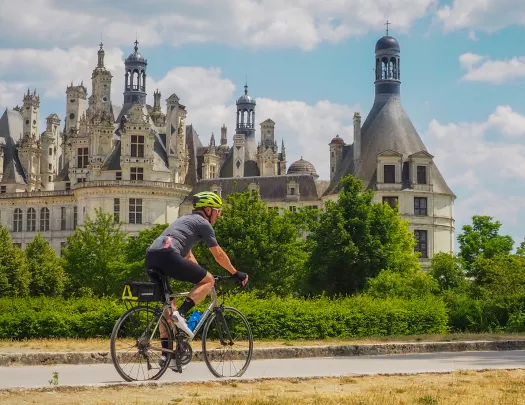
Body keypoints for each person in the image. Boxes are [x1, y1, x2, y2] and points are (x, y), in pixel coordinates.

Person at [145, 191, 248, 361]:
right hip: (169, 254)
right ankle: (182, 314)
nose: (219, 214)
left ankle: (166, 357)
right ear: (208, 210)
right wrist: (236, 273)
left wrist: (201, 272)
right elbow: (219, 255)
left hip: (151, 256)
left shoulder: (184, 221)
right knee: (208, 280)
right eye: (218, 210)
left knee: (168, 308)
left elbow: (188, 255)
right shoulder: (203, 224)